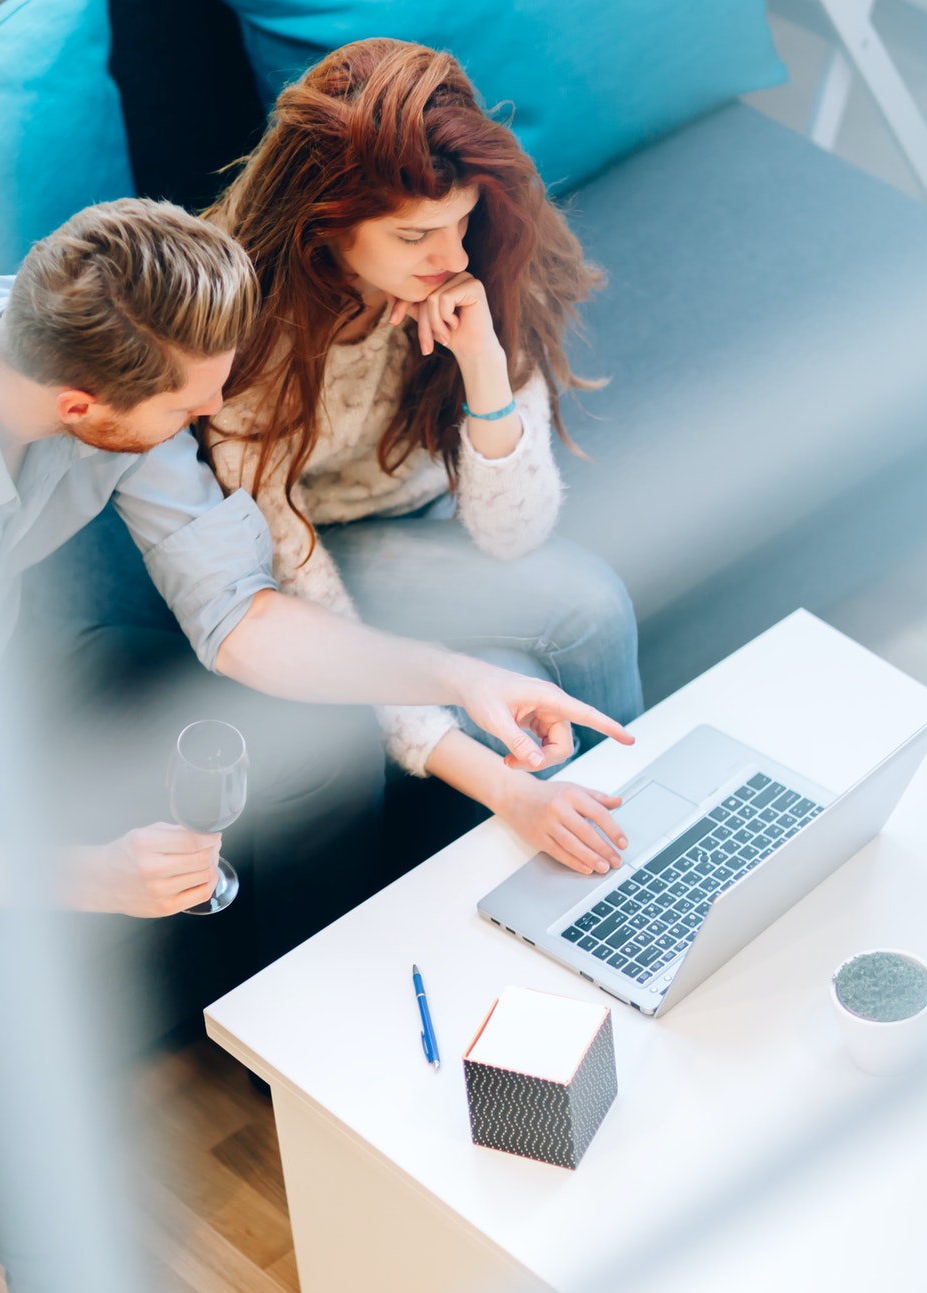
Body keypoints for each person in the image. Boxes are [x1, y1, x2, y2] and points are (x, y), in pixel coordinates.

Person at [0, 198, 631, 1293]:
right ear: (83, 409)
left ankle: (295, 1069)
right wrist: (92, 874)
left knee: (318, 751)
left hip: (0, 684)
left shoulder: (74, 342)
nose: (218, 411)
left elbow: (235, 613)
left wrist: (456, 677)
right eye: (193, 405)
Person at [202, 38, 647, 879]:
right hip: (310, 547)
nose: (451, 257)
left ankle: (623, 848)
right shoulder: (240, 330)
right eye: (413, 236)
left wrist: (484, 366)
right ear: (325, 225)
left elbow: (512, 535)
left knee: (589, 605)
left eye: (459, 221)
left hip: (435, 511)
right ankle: (581, 864)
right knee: (496, 714)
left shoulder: (484, 263)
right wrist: (475, 767)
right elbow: (295, 582)